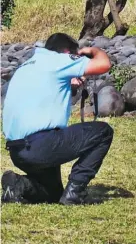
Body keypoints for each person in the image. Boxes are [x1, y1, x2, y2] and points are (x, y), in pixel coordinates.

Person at [1, 33, 113, 205]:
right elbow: (104, 64)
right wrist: (93, 50)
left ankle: (17, 184)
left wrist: (69, 84)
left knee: (52, 193)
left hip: (18, 150)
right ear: (68, 52)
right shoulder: (59, 60)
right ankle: (75, 191)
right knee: (103, 132)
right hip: (40, 144)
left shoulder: (28, 66)